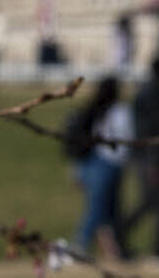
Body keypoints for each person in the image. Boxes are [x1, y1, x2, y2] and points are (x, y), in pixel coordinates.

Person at [66, 75, 131, 261]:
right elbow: (127, 136)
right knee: (98, 208)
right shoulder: (118, 111)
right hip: (107, 163)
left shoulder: (95, 110)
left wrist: (76, 169)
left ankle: (114, 250)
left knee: (109, 208)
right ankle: (79, 244)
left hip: (94, 162)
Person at [125, 54, 159, 256]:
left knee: (155, 202)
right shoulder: (155, 94)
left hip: (145, 154)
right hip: (152, 156)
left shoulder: (144, 91)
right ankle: (120, 230)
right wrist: (155, 161)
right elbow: (153, 130)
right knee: (154, 201)